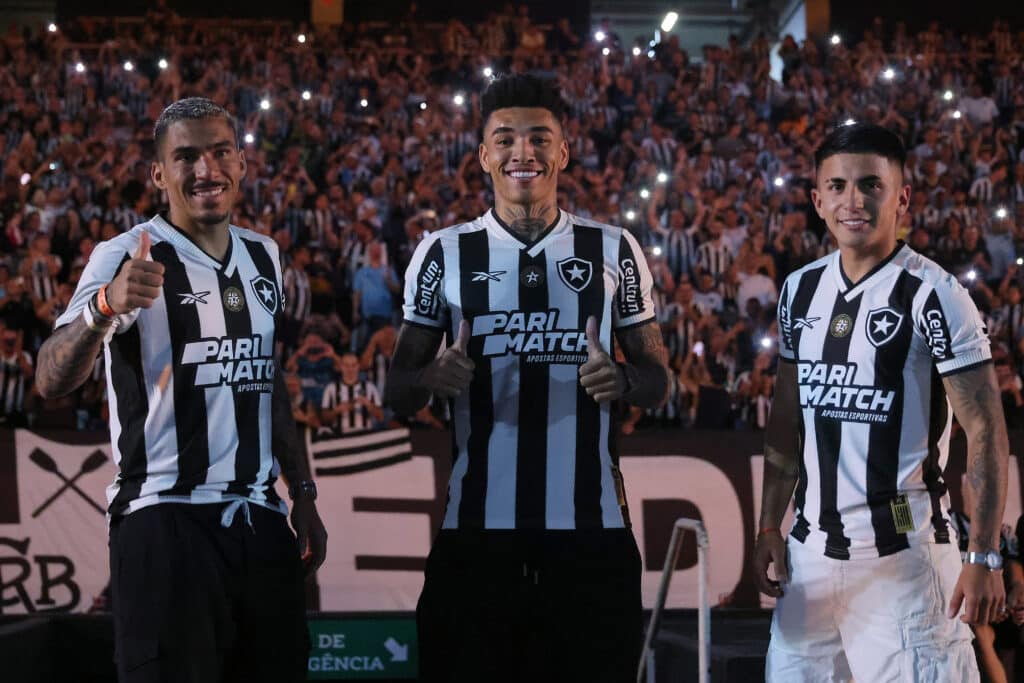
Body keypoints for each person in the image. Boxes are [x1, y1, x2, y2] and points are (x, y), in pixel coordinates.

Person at [385, 74, 671, 682]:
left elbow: (658, 380)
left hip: (591, 537)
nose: (524, 152)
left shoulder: (613, 249)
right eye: (506, 139)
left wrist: (623, 381)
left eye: (540, 138)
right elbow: (396, 392)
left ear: (563, 152)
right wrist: (433, 376)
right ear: (484, 155)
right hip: (477, 536)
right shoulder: (442, 254)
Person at [34, 97, 327, 683]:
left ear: (241, 164)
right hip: (164, 519)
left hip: (260, 521)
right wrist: (102, 308)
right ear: (159, 173)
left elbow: (267, 382)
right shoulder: (122, 255)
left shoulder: (264, 255)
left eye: (220, 153)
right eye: (185, 157)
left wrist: (304, 494)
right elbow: (50, 379)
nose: (205, 170)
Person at [754, 123, 1009, 681]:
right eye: (838, 185)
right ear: (818, 200)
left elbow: (986, 430)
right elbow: (785, 422)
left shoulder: (937, 295)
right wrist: (768, 526)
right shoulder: (798, 289)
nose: (854, 200)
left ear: (902, 197)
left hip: (906, 564)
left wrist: (984, 556)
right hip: (809, 562)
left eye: (871, 184)